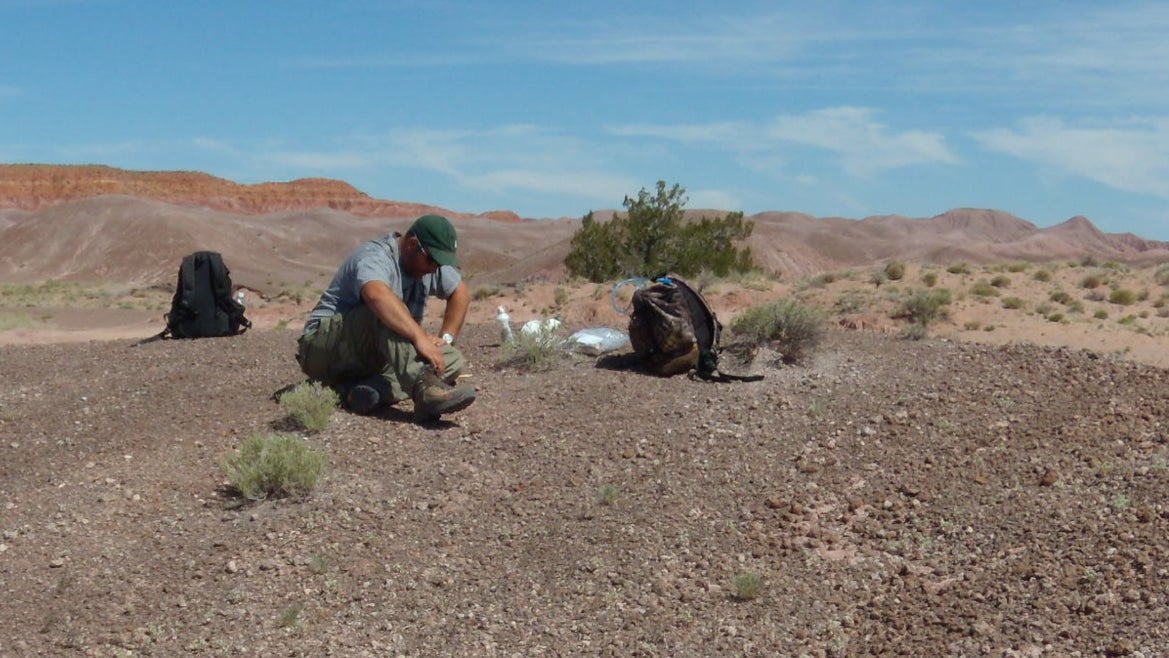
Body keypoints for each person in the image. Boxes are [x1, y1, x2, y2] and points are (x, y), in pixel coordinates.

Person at [296, 214, 477, 421]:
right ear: (411, 245)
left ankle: (359, 390)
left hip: (371, 356)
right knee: (385, 311)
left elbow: (460, 293)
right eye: (432, 261)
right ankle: (425, 392)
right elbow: (376, 295)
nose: (434, 268)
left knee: (449, 358)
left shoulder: (429, 267)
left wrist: (446, 338)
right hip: (323, 349)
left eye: (439, 264)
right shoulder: (375, 256)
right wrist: (419, 337)